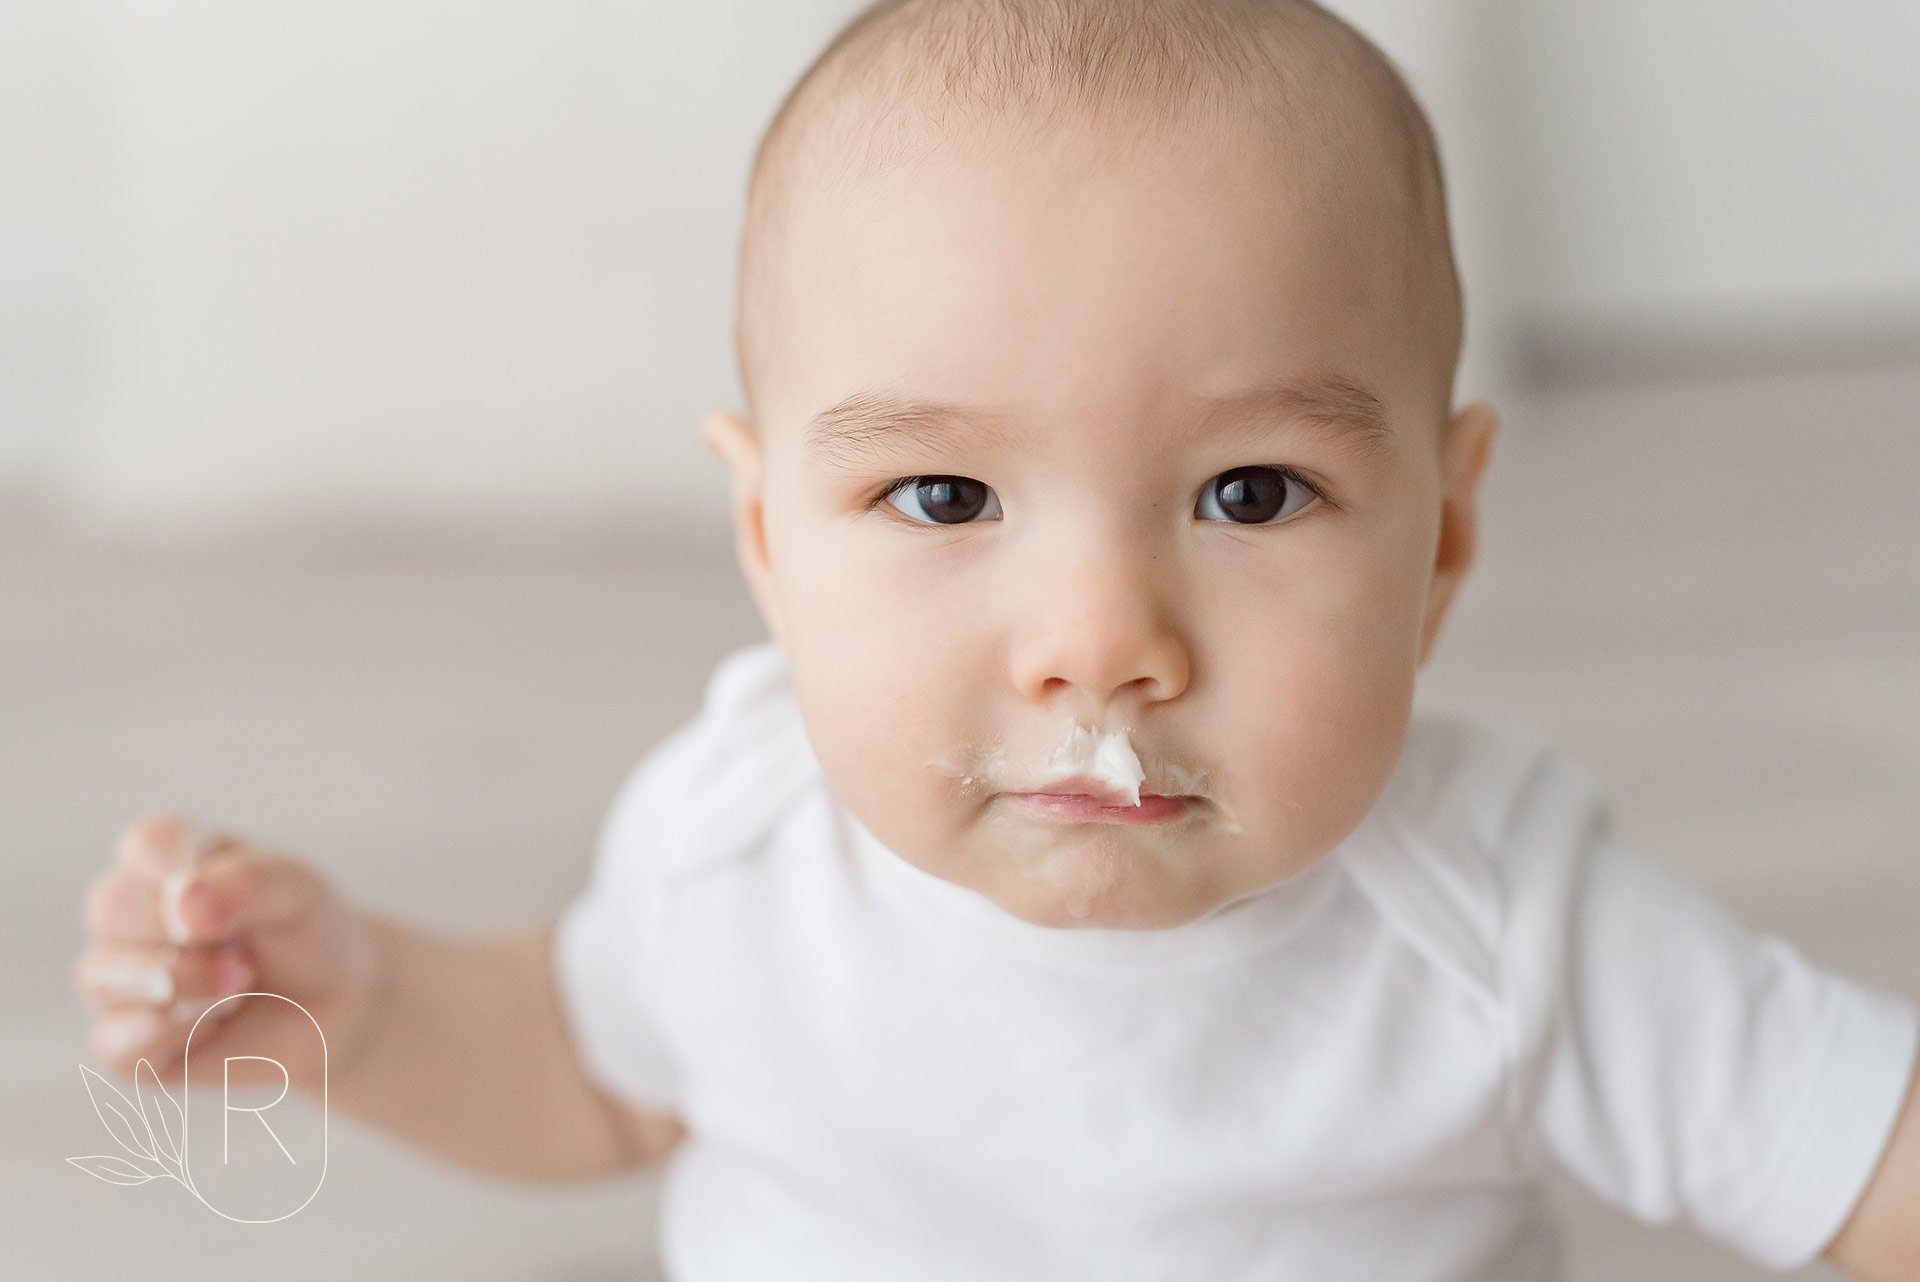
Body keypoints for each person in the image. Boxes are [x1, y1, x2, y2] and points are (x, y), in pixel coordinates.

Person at [73, 1, 1920, 1276]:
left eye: (1250, 494)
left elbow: (1861, 1146)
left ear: (1441, 538)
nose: (1100, 645)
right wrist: (365, 1007)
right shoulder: (740, 845)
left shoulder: (1504, 922)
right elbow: (598, 1068)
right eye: (947, 500)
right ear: (766, 540)